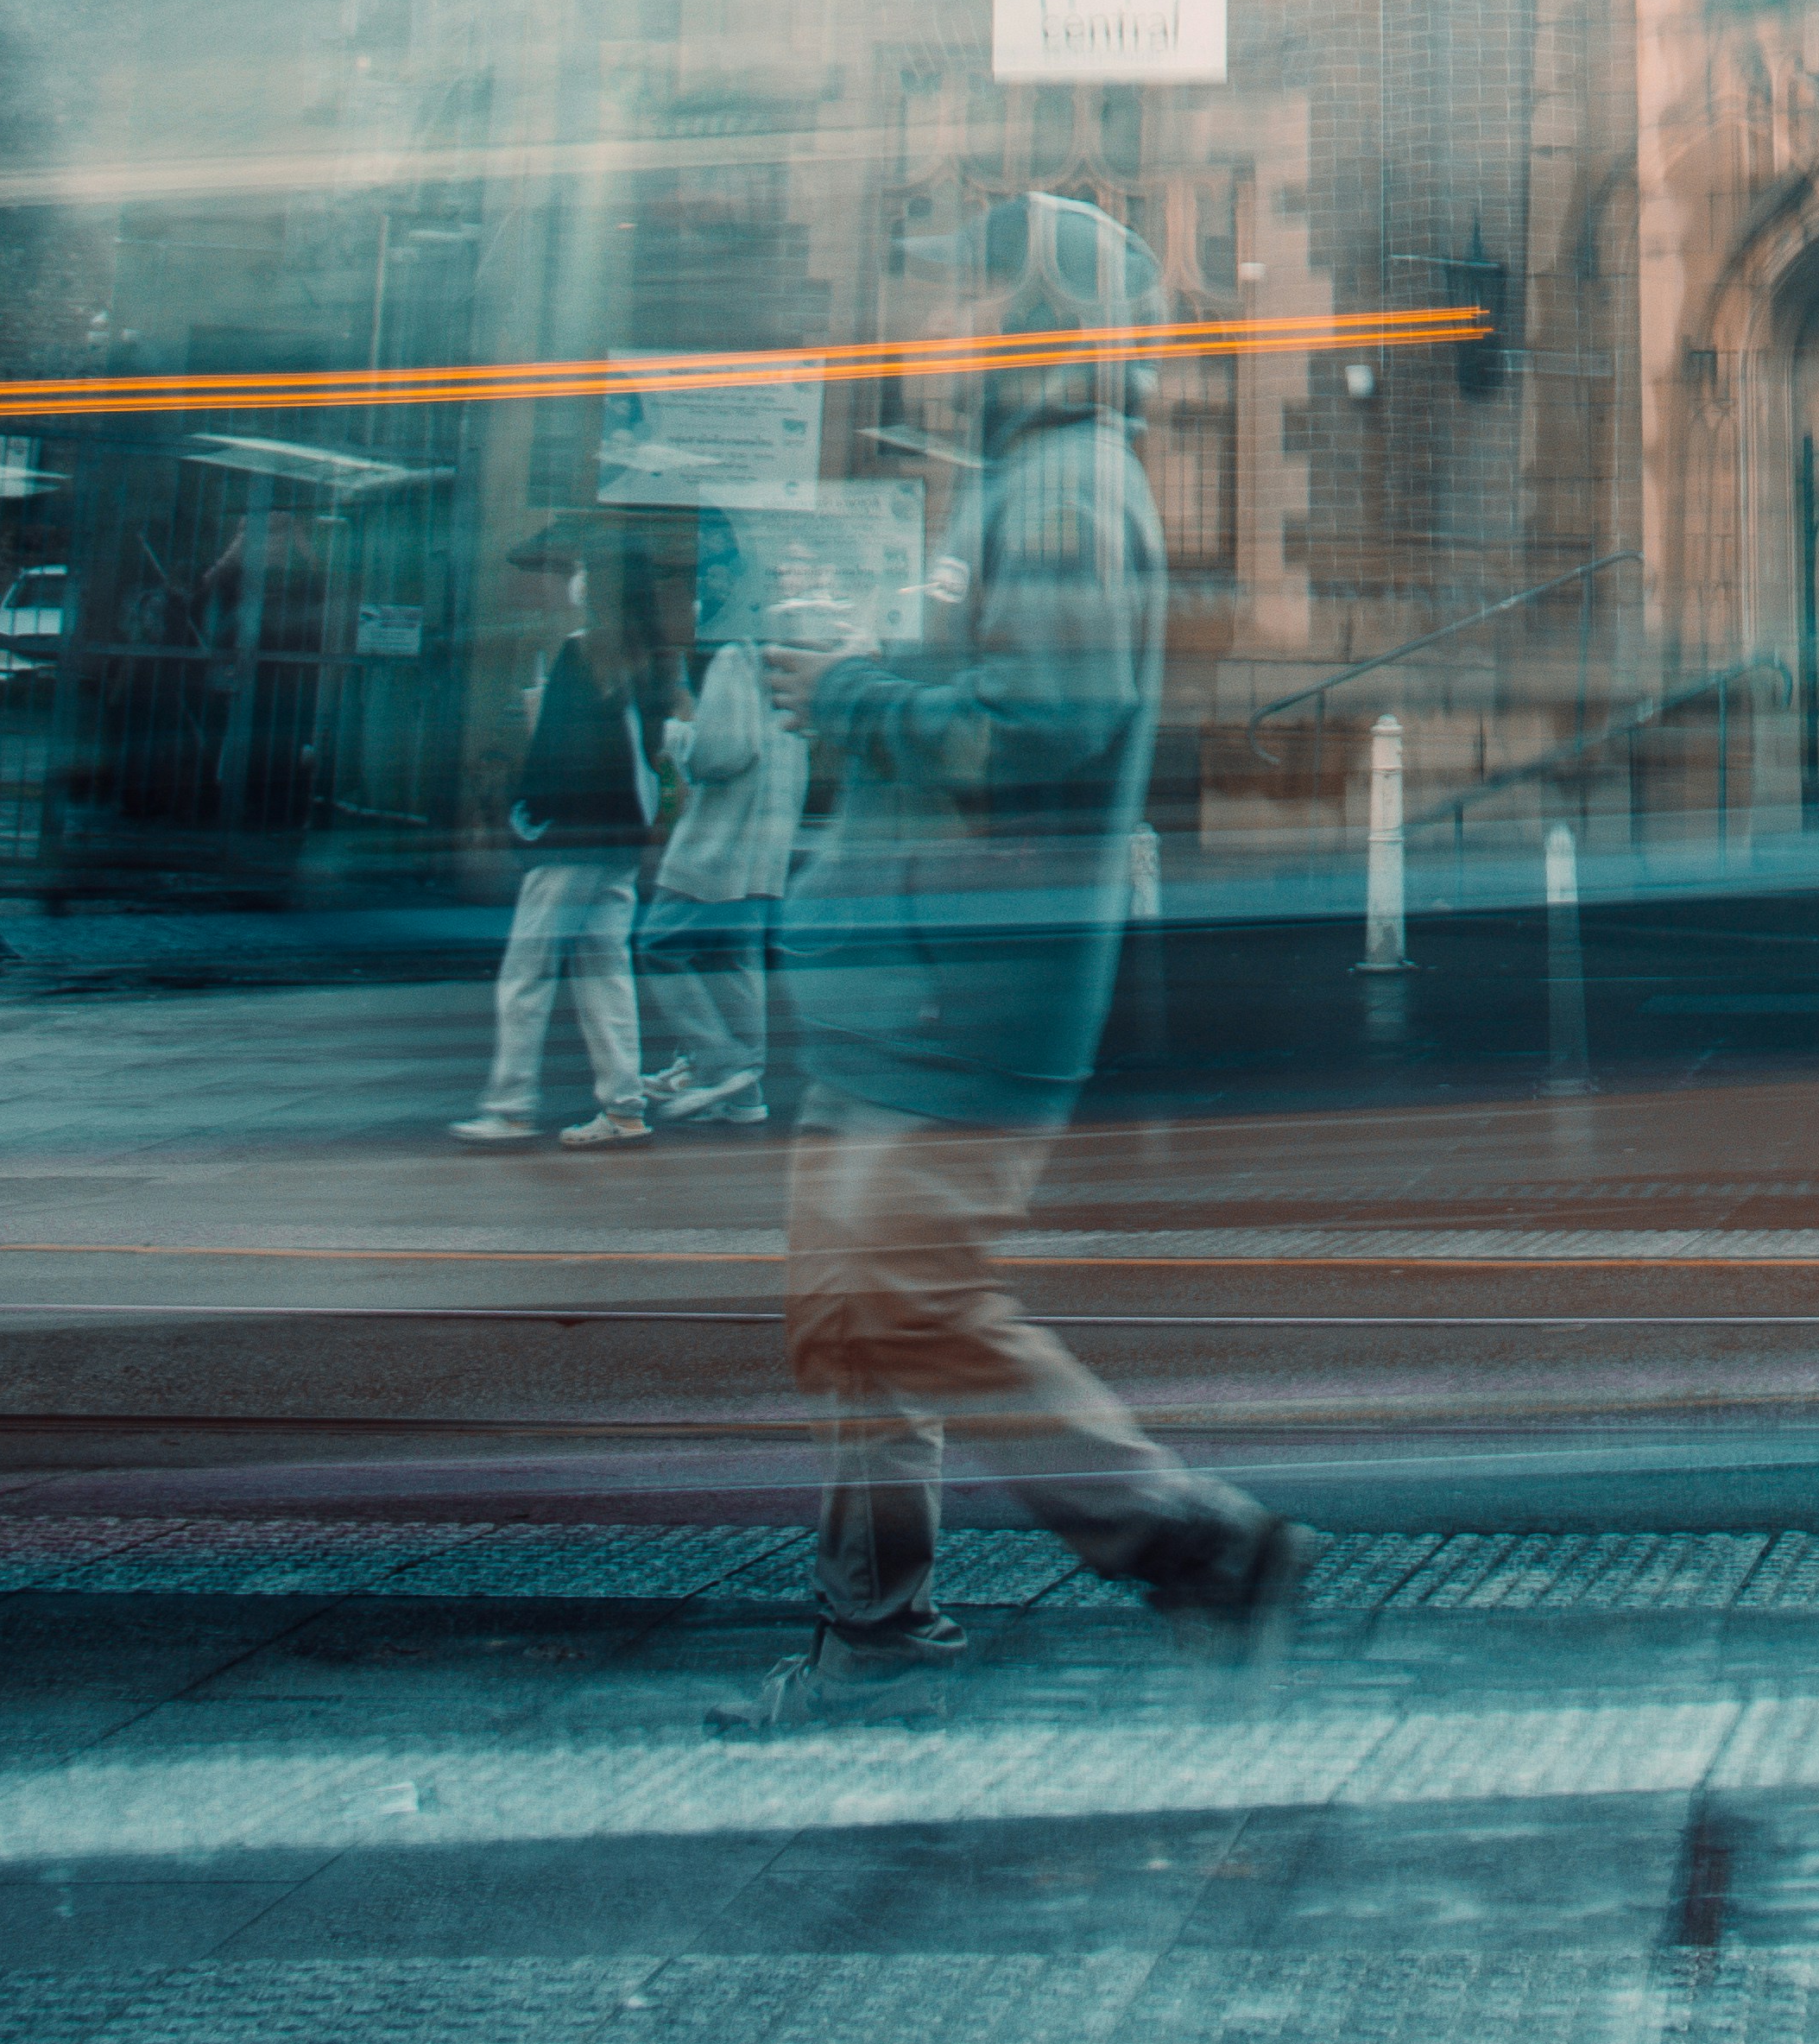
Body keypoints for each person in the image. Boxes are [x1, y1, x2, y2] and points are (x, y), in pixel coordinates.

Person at [714, 228, 1304, 1727]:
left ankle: (1199, 1546)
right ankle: (874, 1636)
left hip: (956, 992)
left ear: (1044, 324)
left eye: (971, 293)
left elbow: (1041, 723)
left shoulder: (1066, 493)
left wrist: (843, 694)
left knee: (911, 1302)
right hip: (897, 980)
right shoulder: (1017, 484)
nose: (940, 317)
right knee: (847, 1319)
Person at [454, 533, 652, 1147]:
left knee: (527, 973)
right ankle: (624, 1106)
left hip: (570, 839)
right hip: (619, 840)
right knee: (605, 973)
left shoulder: (576, 651)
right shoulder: (637, 654)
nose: (569, 582)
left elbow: (558, 751)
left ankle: (510, 1105)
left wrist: (527, 817)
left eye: (576, 571)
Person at [640, 520, 805, 1127]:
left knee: (659, 946)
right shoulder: (784, 658)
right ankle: (745, 1094)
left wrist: (678, 739)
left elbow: (723, 754)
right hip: (764, 849)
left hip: (719, 845)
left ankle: (718, 1062)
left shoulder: (734, 659)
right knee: (735, 960)